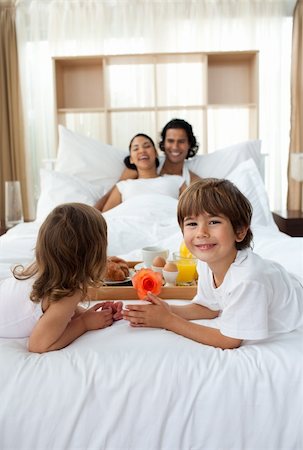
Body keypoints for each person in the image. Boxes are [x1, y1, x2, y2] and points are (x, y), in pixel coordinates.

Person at [123, 179, 303, 349]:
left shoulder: (248, 279)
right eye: (192, 223)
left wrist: (168, 320)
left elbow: (229, 340)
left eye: (214, 222)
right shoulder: (206, 263)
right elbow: (208, 308)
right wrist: (167, 309)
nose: (201, 232)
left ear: (239, 231)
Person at [0, 203, 123, 353]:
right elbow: (38, 344)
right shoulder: (69, 294)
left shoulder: (44, 271)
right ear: (92, 255)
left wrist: (88, 314)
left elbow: (56, 310)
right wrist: (84, 323)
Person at [94, 118, 200, 211]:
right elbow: (110, 199)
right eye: (170, 141)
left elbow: (194, 210)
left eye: (181, 141)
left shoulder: (187, 181)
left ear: (189, 144)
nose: (175, 147)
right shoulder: (142, 164)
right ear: (163, 144)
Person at [101, 133, 186, 212]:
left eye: (147, 146)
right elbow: (104, 218)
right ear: (131, 159)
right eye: (136, 148)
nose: (142, 151)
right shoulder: (122, 186)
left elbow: (193, 208)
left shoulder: (177, 181)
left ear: (156, 153)